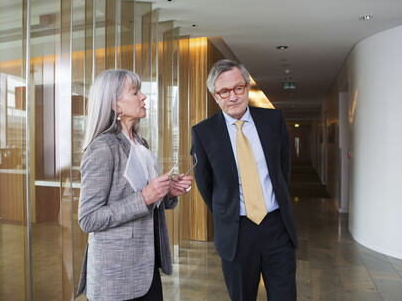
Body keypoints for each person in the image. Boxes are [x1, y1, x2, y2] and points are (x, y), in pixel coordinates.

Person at [77, 69, 192, 301]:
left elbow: (148, 198)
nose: (143, 97)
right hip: (116, 275)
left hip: (146, 267)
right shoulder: (102, 148)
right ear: (115, 105)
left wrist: (167, 192)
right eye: (135, 92)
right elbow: (88, 218)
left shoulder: (140, 142)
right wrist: (144, 197)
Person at [190, 59, 298, 301]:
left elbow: (282, 172)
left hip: (277, 227)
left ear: (247, 87)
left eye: (238, 88)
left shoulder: (273, 122)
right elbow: (206, 185)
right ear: (215, 96)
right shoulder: (203, 133)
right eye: (224, 91)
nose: (233, 97)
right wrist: (228, 212)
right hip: (237, 234)